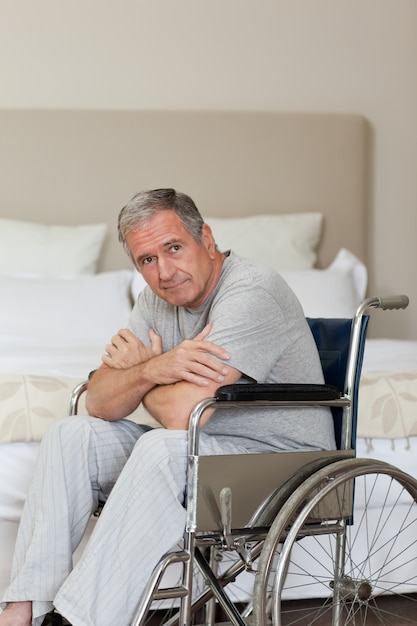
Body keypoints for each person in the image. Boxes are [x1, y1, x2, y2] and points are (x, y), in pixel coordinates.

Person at [0, 188, 335, 626]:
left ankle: (78, 619)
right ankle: (21, 610)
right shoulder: (157, 300)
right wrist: (152, 369)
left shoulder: (252, 292)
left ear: (207, 239)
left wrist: (140, 368)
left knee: (162, 448)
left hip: (281, 462)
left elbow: (182, 416)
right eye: (147, 260)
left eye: (173, 248)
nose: (164, 271)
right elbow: (97, 402)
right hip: (204, 449)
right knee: (72, 435)